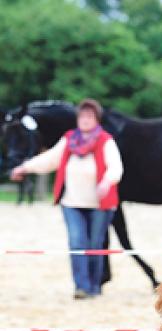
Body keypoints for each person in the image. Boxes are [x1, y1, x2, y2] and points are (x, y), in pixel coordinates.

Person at [11, 99, 123, 299]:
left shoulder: (106, 141)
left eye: (89, 117)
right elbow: (50, 159)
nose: (85, 120)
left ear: (96, 120)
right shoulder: (69, 140)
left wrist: (106, 182)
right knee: (77, 243)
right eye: (82, 116)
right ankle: (81, 287)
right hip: (72, 203)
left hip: (100, 204)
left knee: (95, 245)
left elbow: (116, 167)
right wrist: (24, 168)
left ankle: (94, 287)